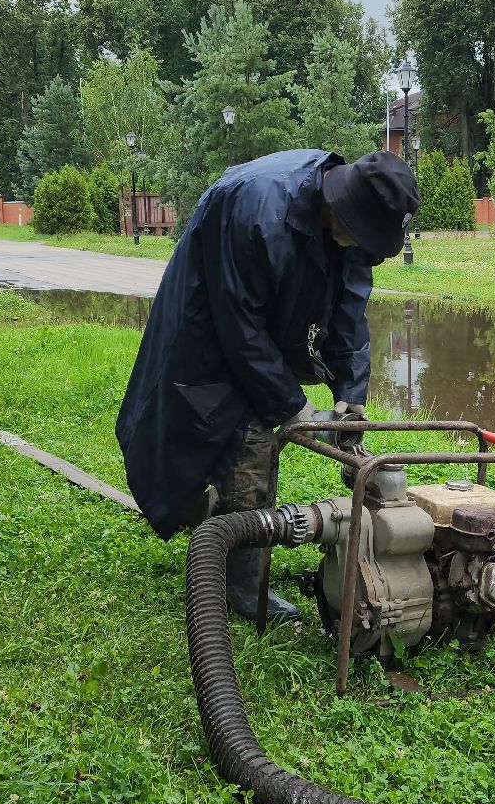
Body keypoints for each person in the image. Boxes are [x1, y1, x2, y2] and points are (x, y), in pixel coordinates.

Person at [116, 149, 419, 623]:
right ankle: (241, 585)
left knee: (242, 431)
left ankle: (222, 521)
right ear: (338, 206)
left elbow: (349, 316)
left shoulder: (352, 233)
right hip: (208, 322)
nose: (359, 248)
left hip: (265, 322)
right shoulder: (253, 208)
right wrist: (294, 408)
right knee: (244, 434)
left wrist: (350, 397)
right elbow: (240, 328)